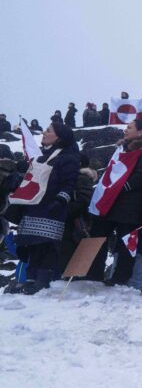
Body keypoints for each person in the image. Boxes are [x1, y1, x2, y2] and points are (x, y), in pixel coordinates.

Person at [3, 123, 80, 294]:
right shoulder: (41, 157)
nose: (44, 133)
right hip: (33, 206)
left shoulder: (69, 158)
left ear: (59, 137)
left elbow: (69, 183)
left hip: (52, 208)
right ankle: (29, 280)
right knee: (31, 245)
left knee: (46, 245)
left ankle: (42, 281)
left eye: (49, 131)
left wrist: (61, 200)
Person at [86, 119, 142, 285]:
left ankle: (120, 277)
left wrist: (123, 187)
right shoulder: (120, 150)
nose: (125, 130)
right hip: (109, 201)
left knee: (125, 240)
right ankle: (92, 272)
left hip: (130, 204)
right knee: (97, 234)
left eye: (129, 127)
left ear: (141, 132)